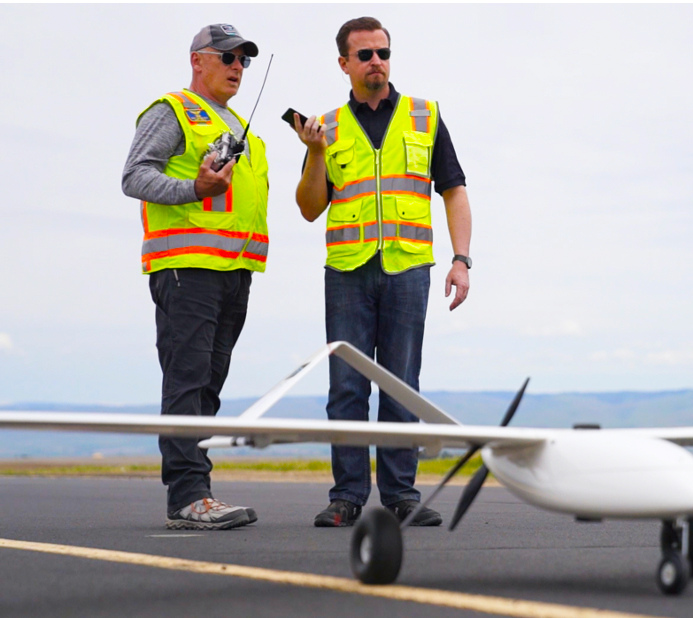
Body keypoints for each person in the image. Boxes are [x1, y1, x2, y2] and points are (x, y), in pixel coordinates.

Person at [294, 16, 472, 527]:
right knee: (346, 386)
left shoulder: (425, 115)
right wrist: (315, 153)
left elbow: (454, 190)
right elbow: (309, 208)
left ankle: (401, 496)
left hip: (407, 269)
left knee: (402, 385)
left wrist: (461, 259)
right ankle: (347, 496)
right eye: (366, 54)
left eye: (384, 53)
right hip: (347, 272)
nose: (377, 62)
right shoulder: (325, 126)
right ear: (344, 63)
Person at [121, 24, 270, 530]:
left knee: (208, 384)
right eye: (227, 57)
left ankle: (196, 492)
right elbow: (134, 175)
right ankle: (187, 497)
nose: (237, 66)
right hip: (187, 266)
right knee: (187, 380)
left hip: (234, 271)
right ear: (197, 60)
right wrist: (194, 187)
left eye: (243, 59)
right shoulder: (173, 111)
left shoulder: (240, 126)